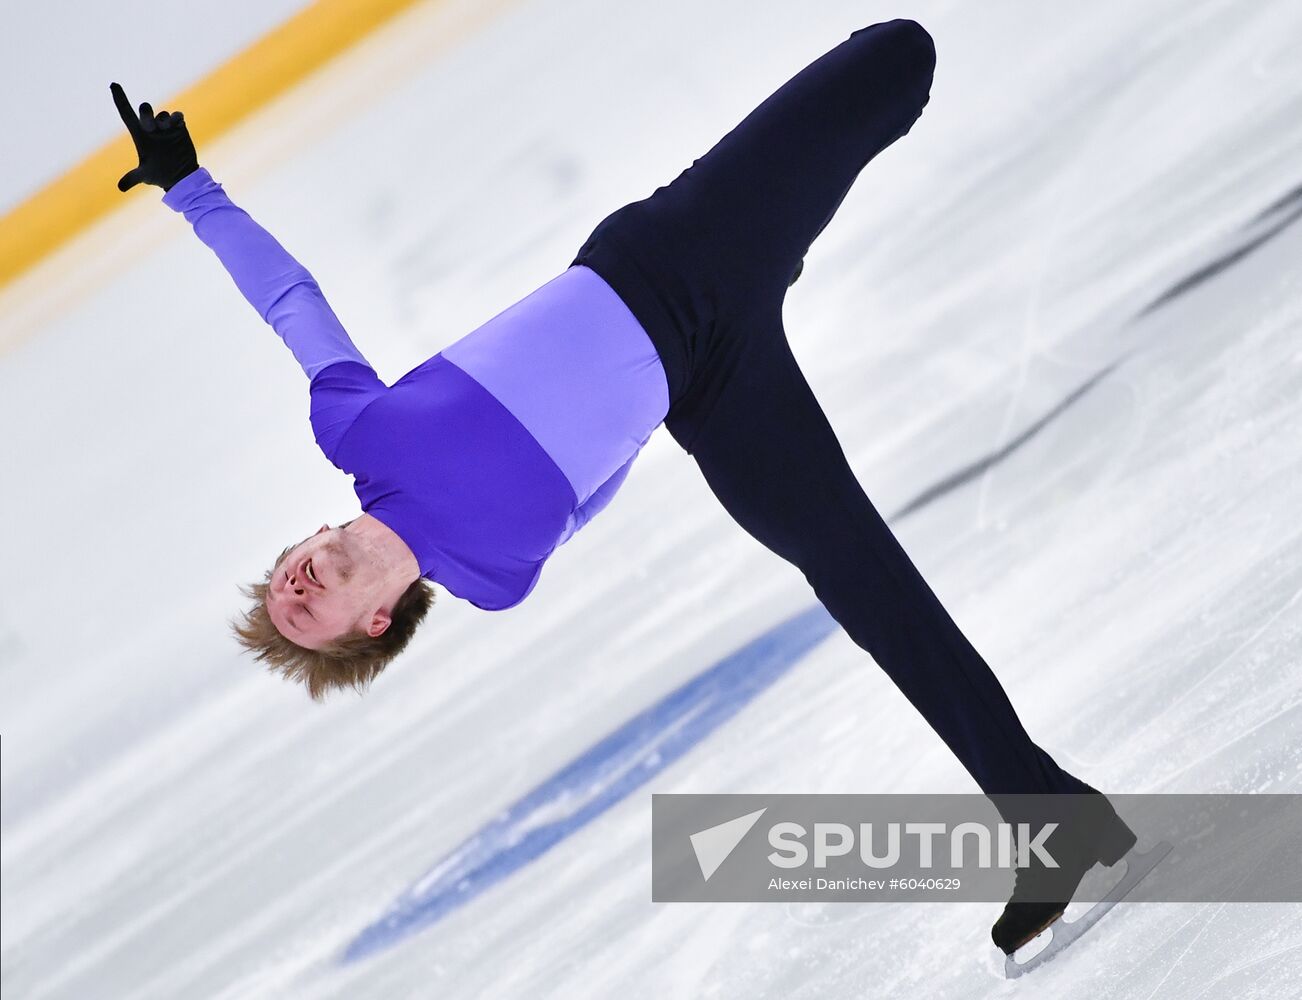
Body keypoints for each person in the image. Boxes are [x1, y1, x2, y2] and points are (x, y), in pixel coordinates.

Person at [111, 18, 1138, 957]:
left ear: (303, 542)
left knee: (898, 58)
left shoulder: (356, 429)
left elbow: (291, 300)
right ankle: (1040, 805)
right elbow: (603, 466)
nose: (294, 592)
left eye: (285, 582)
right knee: (860, 577)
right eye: (310, 617)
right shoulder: (496, 576)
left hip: (680, 246)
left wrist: (190, 190)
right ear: (372, 620)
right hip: (716, 387)